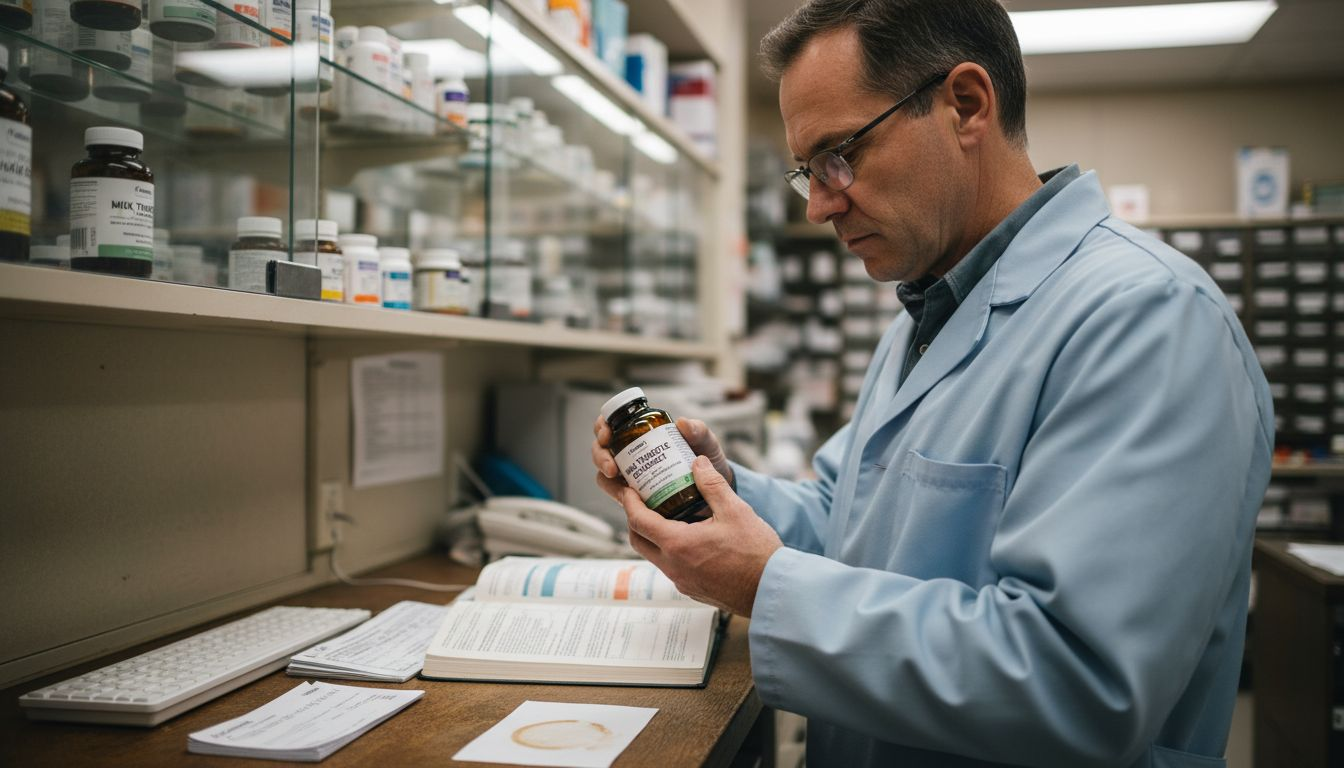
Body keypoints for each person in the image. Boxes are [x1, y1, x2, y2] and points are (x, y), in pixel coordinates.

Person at [591, 0, 1272, 765]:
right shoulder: (927, 311)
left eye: (838, 155)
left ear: (967, 106)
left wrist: (767, 589)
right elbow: (849, 521)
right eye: (805, 172)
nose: (818, 204)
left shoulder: (1149, 321)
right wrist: (715, 489)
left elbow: (1078, 683)